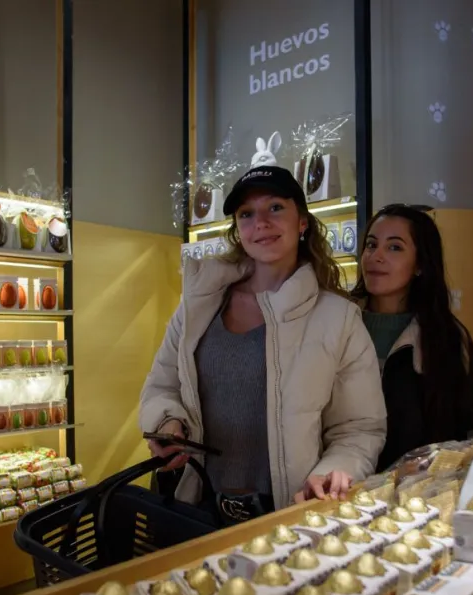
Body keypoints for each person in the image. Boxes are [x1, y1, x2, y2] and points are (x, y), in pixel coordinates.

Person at [139, 165, 386, 517]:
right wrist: (166, 423)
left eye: (275, 207)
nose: (261, 223)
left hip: (286, 514)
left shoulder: (339, 319)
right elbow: (162, 386)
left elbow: (359, 428)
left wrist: (331, 473)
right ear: (238, 230)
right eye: (247, 214)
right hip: (195, 506)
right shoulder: (199, 306)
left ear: (302, 222)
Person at [351, 203, 473, 471]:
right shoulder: (339, 322)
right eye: (371, 245)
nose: (376, 256)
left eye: (394, 247)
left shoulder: (446, 336)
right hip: (337, 483)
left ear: (420, 264)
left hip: (412, 489)